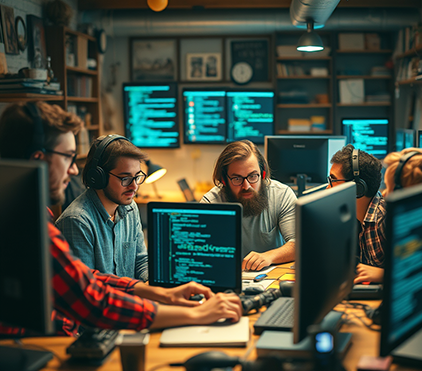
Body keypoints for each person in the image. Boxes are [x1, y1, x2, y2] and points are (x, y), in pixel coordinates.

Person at [0, 101, 241, 337]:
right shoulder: (38, 224)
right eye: (68, 157)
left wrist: (162, 294)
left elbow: (87, 279)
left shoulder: (34, 214)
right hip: (41, 344)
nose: (73, 170)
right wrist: (196, 315)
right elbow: (91, 301)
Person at [56, 135, 149, 281]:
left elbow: (141, 261)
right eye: (125, 179)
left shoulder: (131, 208)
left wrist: (158, 287)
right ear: (99, 177)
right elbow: (89, 289)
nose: (134, 186)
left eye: (137, 177)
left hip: (132, 300)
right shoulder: (77, 221)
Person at [201, 140, 296, 271]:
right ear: (224, 180)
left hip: (271, 278)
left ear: (262, 175)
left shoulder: (281, 195)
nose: (246, 186)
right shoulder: (211, 203)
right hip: (229, 277)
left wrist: (269, 256)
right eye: (237, 179)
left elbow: (299, 243)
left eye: (252, 176)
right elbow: (200, 252)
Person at [327, 144, 386, 284]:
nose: (328, 187)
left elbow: (420, 269)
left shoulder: (383, 219)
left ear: (357, 188)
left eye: (333, 180)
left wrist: (384, 274)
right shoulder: (354, 217)